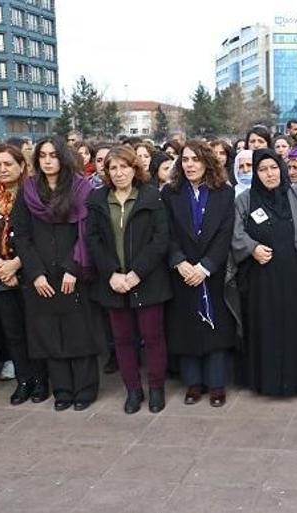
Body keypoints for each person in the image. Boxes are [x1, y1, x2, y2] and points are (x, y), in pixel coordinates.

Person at [12, 136, 104, 412]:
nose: (48, 160)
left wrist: (72, 268)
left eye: (53, 155)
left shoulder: (81, 188)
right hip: (41, 274)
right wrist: (36, 273)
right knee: (49, 333)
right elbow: (22, 236)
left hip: (74, 271)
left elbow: (88, 231)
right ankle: (62, 389)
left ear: (63, 157)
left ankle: (85, 389)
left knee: (79, 332)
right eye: (43, 156)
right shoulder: (28, 190)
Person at [86, 146, 172, 414]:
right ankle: (133, 390)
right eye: (113, 168)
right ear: (107, 172)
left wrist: (136, 273)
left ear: (135, 168)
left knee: (153, 336)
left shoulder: (151, 196)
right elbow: (93, 240)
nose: (119, 173)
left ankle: (156, 388)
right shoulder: (97, 199)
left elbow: (160, 239)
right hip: (113, 282)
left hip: (147, 279)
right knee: (122, 339)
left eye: (124, 167)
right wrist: (112, 273)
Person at [232, 149, 297, 396]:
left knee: (296, 326)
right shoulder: (245, 200)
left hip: (296, 274)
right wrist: (252, 248)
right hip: (262, 277)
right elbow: (235, 232)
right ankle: (267, 382)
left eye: (273, 168)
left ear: (281, 169)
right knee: (267, 327)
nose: (269, 174)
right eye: (262, 169)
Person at [0, 144, 49, 405]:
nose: (2, 169)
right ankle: (23, 380)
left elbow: (40, 235)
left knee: (33, 329)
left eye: (8, 164)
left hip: (28, 271)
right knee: (12, 332)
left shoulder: (34, 192)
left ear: (21, 166)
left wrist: (16, 264)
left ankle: (40, 380)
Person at [162, 140, 236, 407]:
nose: (190, 164)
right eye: (185, 160)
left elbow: (225, 233)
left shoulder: (224, 193)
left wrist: (205, 266)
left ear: (207, 162)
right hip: (182, 272)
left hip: (211, 271)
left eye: (196, 159)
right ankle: (193, 383)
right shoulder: (170, 193)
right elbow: (166, 232)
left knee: (214, 327)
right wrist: (179, 261)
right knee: (186, 327)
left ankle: (216, 384)